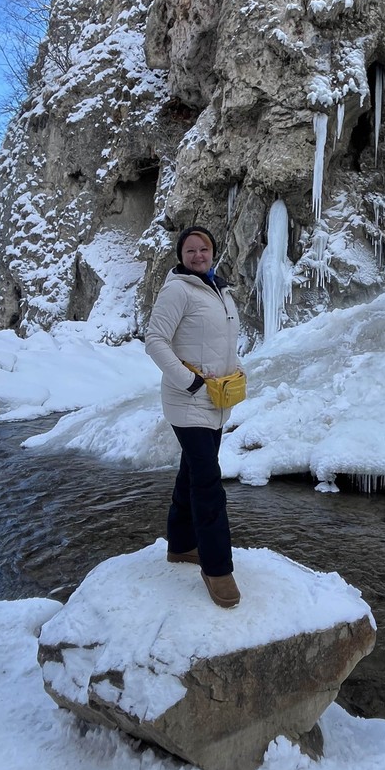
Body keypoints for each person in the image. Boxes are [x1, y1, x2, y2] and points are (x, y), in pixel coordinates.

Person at [145, 225, 242, 609]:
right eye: (190, 250)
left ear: (212, 252)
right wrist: (191, 383)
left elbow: (221, 343)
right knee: (207, 484)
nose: (198, 255)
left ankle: (182, 545)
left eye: (204, 249)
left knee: (192, 472)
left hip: (216, 402)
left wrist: (236, 369)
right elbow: (154, 341)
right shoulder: (178, 290)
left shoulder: (219, 289)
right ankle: (217, 569)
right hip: (189, 403)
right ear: (180, 256)